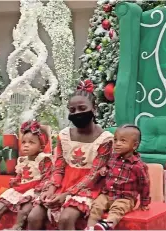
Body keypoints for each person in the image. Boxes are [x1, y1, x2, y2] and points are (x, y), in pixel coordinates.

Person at [27, 80, 114, 230]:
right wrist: (51, 189)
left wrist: (67, 195)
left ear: (94, 108)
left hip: (88, 187)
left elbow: (94, 175)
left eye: (82, 108)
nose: (77, 113)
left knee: (66, 218)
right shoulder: (64, 136)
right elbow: (59, 167)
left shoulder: (105, 139)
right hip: (62, 184)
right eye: (72, 110)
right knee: (34, 216)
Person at [0, 120, 53, 230]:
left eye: (31, 143)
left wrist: (41, 188)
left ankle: (17, 226)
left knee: (25, 207)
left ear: (41, 146)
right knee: (7, 196)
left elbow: (47, 175)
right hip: (22, 187)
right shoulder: (22, 160)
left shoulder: (43, 159)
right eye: (24, 142)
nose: (26, 145)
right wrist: (16, 180)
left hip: (34, 189)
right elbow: (20, 174)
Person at [85, 124, 150, 231]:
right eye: (115, 140)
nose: (117, 144)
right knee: (96, 206)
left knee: (117, 209)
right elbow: (107, 167)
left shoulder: (138, 166)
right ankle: (90, 227)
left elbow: (145, 184)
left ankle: (108, 225)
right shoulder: (112, 158)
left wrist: (144, 202)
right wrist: (103, 170)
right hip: (107, 194)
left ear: (134, 145)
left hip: (125, 198)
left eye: (123, 141)